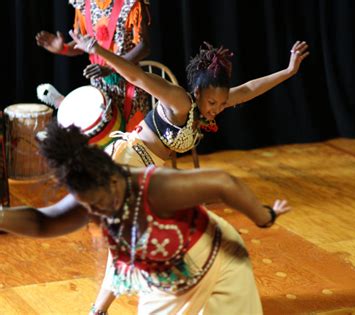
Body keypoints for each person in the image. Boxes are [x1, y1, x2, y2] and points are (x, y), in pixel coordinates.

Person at [0, 122, 290, 314]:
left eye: (98, 204)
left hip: (221, 257)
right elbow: (42, 222)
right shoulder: (91, 195)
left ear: (113, 179)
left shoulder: (157, 187)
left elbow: (223, 183)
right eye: (90, 207)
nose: (96, 214)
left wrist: (265, 216)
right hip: (169, 278)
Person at [69, 30, 310, 167]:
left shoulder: (208, 104)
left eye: (222, 103)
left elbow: (248, 89)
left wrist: (288, 71)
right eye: (212, 103)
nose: (216, 109)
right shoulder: (180, 101)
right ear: (197, 93)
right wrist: (98, 50)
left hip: (150, 168)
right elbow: (139, 78)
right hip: (129, 162)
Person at [36, 0, 152, 132]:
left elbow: (144, 47)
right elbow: (85, 43)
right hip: (100, 91)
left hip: (130, 86)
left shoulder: (131, 3)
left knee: (133, 145)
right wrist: (64, 49)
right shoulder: (84, 4)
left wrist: (110, 68)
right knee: (104, 143)